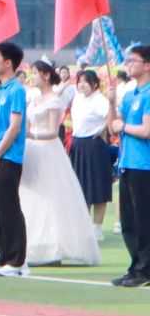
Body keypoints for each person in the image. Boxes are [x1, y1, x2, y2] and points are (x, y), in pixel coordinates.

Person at [17, 60, 100, 267]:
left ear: (46, 75)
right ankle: (27, 245)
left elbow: (54, 132)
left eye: (35, 73)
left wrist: (32, 135)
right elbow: (27, 124)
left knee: (51, 195)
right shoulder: (34, 99)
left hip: (48, 150)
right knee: (30, 195)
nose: (32, 77)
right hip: (32, 150)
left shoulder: (53, 100)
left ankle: (53, 246)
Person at [0, 40, 29, 277]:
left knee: (9, 208)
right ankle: (3, 256)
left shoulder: (16, 90)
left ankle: (17, 259)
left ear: (8, 63)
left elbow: (15, 127)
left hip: (7, 157)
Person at [111, 45, 150, 287]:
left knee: (143, 218)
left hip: (143, 165)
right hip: (127, 162)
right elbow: (113, 126)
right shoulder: (129, 95)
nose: (129, 64)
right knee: (128, 221)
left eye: (133, 60)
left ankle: (144, 269)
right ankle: (136, 266)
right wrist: (110, 104)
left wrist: (123, 127)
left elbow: (146, 130)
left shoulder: (147, 94)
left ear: (147, 65)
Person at [69, 68, 115, 230]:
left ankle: (97, 228)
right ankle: (83, 226)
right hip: (78, 144)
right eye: (79, 81)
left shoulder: (99, 100)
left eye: (86, 82)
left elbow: (111, 120)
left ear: (95, 84)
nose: (82, 84)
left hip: (94, 146)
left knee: (97, 186)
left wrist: (111, 102)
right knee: (80, 186)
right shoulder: (78, 98)